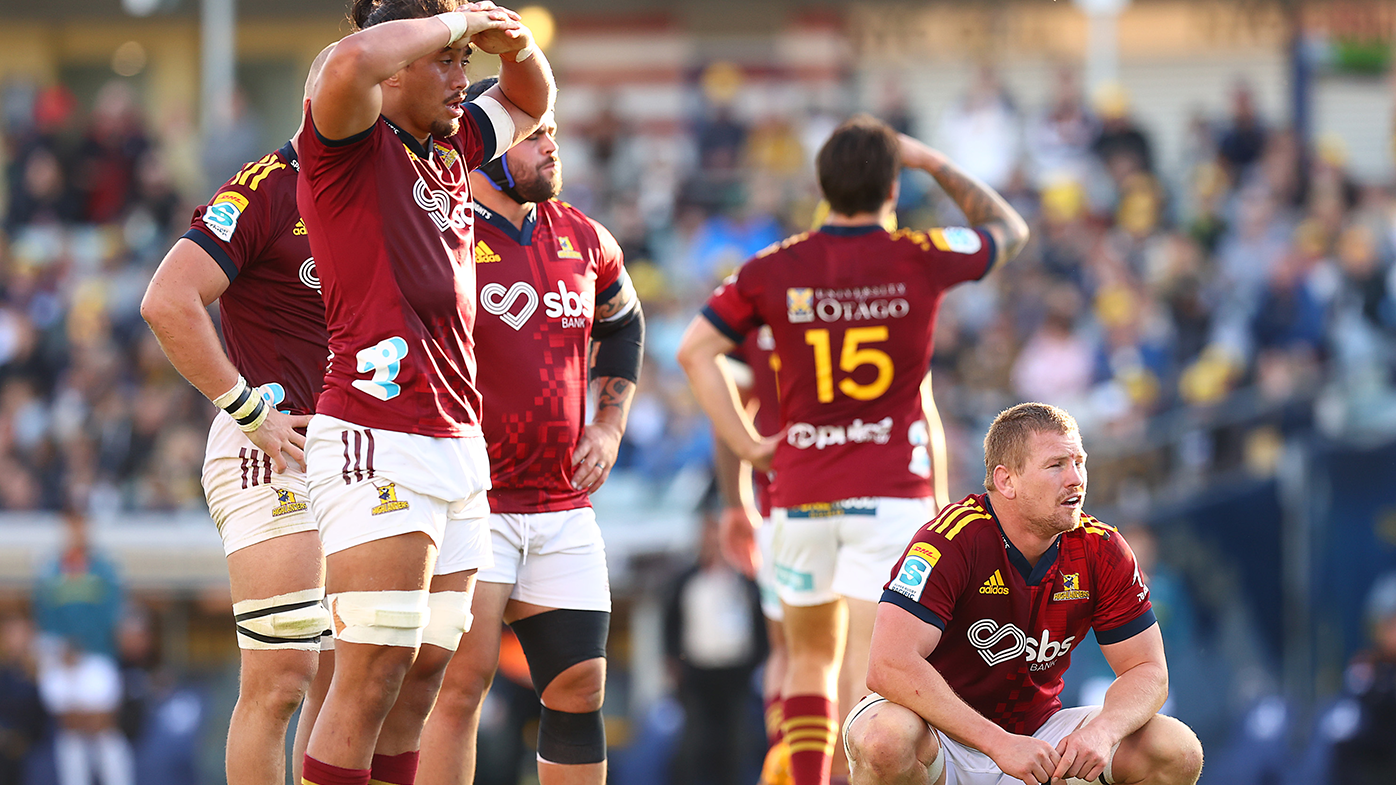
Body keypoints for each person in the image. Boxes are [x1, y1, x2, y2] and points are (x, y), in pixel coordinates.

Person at [677, 115, 1030, 785]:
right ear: (892, 186)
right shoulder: (919, 254)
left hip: (801, 492)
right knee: (875, 671)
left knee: (808, 660)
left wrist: (752, 445)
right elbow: (1012, 231)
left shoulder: (774, 267)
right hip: (891, 495)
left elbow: (695, 350)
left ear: (822, 183)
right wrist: (934, 162)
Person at [295, 3, 553, 785]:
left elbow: (532, 99)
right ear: (397, 65)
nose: (461, 77)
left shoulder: (452, 145)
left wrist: (517, 42)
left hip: (455, 442)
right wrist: (458, 20)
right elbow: (344, 65)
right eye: (446, 61)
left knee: (421, 681)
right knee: (370, 671)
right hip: (378, 433)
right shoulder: (347, 140)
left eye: (465, 64)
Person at [417, 76, 643, 785]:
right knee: (459, 689)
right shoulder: (440, 230)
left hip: (560, 502)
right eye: (535, 133)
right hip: (469, 498)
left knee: (580, 691)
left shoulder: (585, 236)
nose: (553, 146)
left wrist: (608, 424)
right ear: (487, 145)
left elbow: (624, 322)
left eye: (553, 131)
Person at [140, 48, 340, 785]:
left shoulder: (376, 192)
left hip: (353, 446)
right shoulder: (265, 186)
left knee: (347, 674)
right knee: (283, 673)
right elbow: (167, 300)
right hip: (275, 438)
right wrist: (246, 406)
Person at [842, 402, 1204, 785]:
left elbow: (1147, 670)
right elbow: (888, 664)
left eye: (1079, 462)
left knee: (1176, 749)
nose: (1076, 478)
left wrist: (1103, 731)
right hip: (938, 734)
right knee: (883, 739)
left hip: (1036, 735)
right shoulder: (952, 539)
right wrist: (998, 743)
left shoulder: (1103, 548)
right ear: (1006, 481)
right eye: (1056, 466)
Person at [664, 511, 768, 785]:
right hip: (697, 674)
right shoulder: (686, 580)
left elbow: (761, 624)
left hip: (737, 674)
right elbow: (671, 625)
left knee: (738, 744)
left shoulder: (746, 581)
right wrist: (675, 663)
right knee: (695, 744)